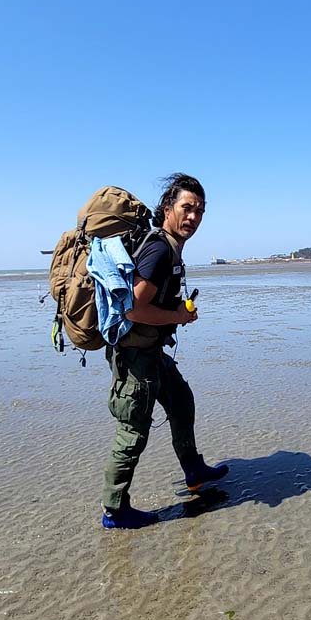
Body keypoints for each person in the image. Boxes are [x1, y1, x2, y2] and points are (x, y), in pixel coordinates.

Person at [100, 173, 229, 529]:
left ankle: (193, 469)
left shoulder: (168, 246)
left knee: (181, 400)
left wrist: (174, 313)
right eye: (187, 208)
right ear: (168, 207)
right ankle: (114, 510)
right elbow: (133, 309)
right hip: (134, 356)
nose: (193, 217)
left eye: (200, 211)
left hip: (151, 350)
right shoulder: (159, 249)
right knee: (132, 432)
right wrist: (177, 317)